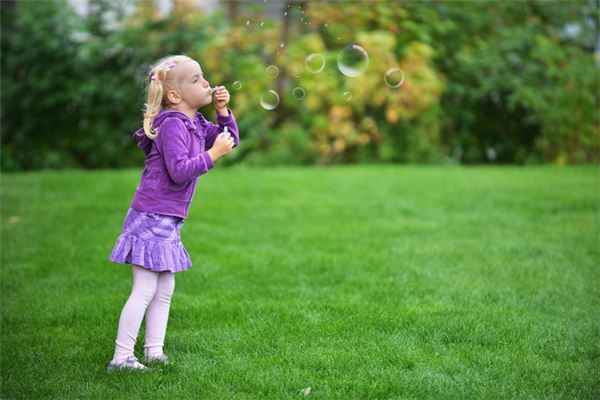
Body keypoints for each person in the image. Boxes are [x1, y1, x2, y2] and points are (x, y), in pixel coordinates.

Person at [107, 54, 239, 372]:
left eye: (203, 76)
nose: (206, 82)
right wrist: (212, 154)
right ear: (175, 96)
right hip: (151, 215)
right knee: (145, 288)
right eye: (196, 79)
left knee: (164, 288)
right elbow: (180, 171)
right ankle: (122, 357)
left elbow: (230, 140)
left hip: (166, 217)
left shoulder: (195, 123)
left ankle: (154, 352)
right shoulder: (172, 126)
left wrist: (223, 113)